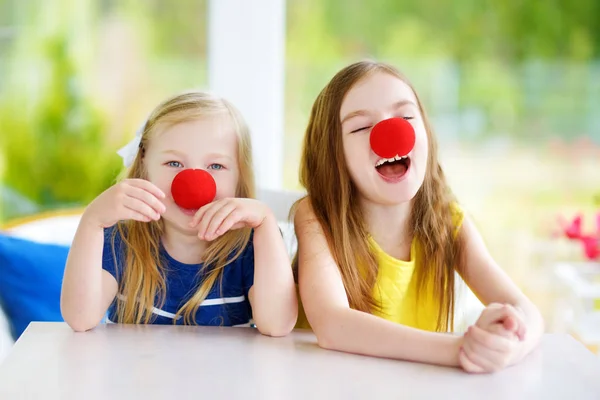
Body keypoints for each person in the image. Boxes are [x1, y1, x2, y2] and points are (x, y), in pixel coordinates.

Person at [293, 61, 543, 373]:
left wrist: (506, 344)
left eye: (405, 117)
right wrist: (458, 349)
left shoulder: (447, 220)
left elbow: (528, 313)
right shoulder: (316, 217)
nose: (390, 133)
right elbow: (332, 325)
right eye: (360, 127)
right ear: (332, 156)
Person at [61, 91, 297, 336]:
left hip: (225, 375)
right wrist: (92, 221)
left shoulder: (250, 245)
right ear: (144, 165)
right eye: (174, 163)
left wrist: (266, 223)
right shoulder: (121, 238)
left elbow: (277, 324)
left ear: (239, 177)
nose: (193, 182)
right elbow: (80, 318)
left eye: (216, 166)